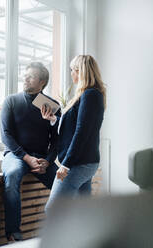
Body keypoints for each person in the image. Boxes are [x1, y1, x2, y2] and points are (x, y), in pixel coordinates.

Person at [0, 62, 60, 242]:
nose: (25, 78)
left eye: (31, 76)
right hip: (15, 155)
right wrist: (27, 158)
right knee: (11, 176)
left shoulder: (52, 106)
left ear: (42, 82)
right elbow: (6, 135)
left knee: (64, 183)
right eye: (25, 75)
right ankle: (13, 233)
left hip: (42, 158)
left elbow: (57, 140)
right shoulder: (11, 101)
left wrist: (48, 161)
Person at [41, 55, 106, 212]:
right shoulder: (89, 94)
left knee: (52, 209)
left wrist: (66, 164)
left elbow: (82, 132)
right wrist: (53, 119)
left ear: (80, 71)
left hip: (78, 163)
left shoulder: (90, 95)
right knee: (83, 210)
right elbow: (73, 127)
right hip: (85, 162)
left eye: (72, 70)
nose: (71, 73)